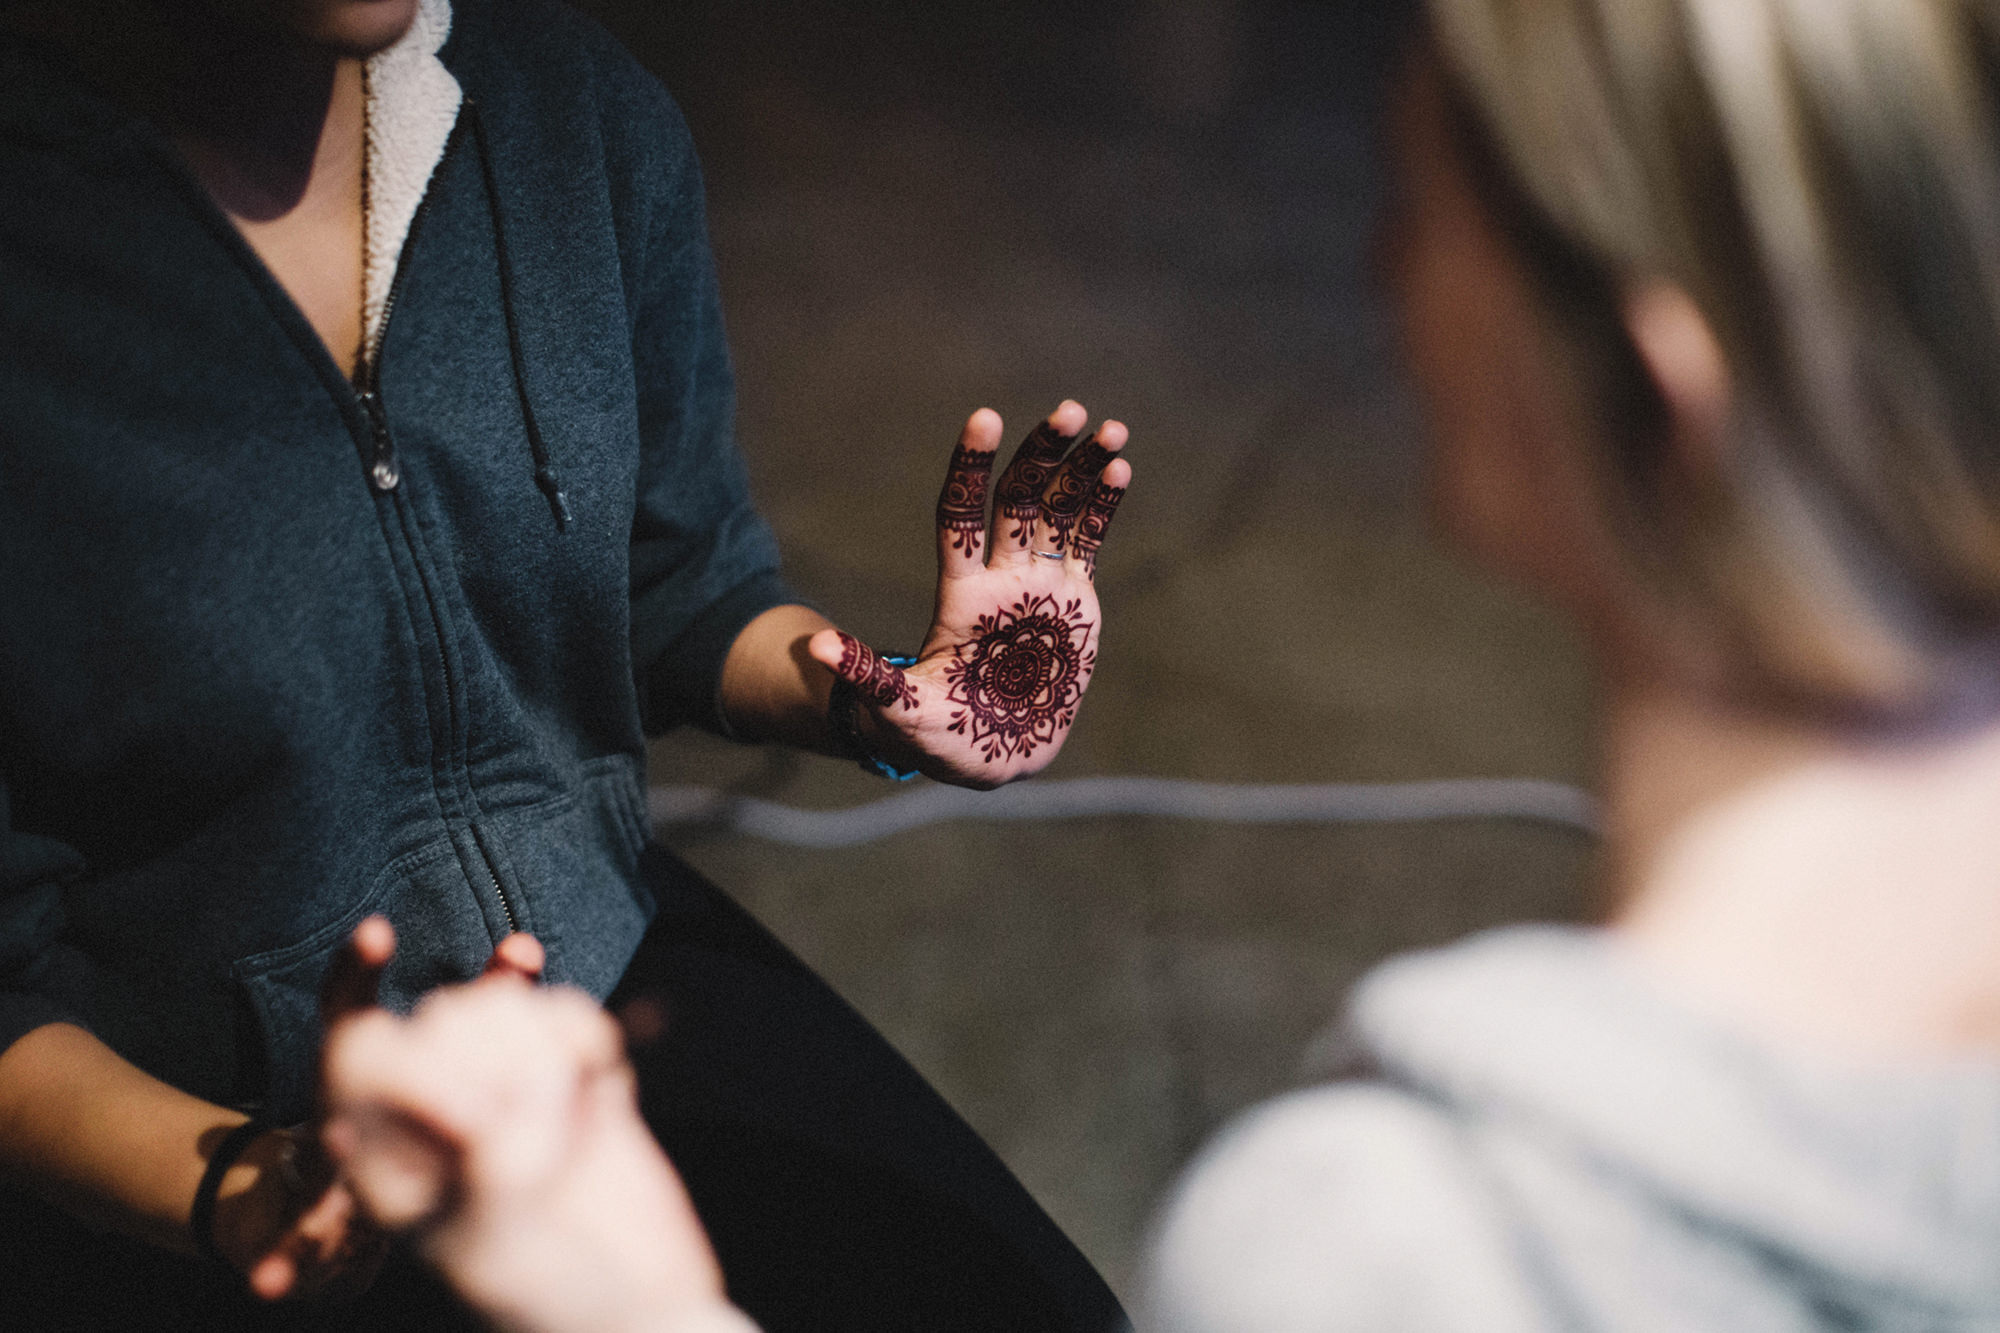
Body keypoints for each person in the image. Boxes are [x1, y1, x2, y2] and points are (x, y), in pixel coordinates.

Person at [321, 0, 2000, 1329]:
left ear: (1652, 400)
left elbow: (670, 580)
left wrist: (636, 1311)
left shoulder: (1381, 1242)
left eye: (1423, 213)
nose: (1378, 278)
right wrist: (885, 696)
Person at [0, 0, 1132, 1328]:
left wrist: (891, 701)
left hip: (586, 971)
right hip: (202, 1131)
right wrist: (252, 1184)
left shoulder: (570, 117)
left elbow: (678, 591)